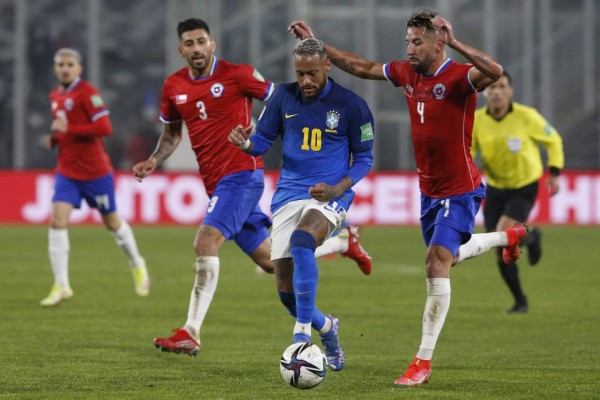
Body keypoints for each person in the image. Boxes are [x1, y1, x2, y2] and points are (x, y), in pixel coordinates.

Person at [288, 9, 529, 386]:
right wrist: (317, 45)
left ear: (437, 42)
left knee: (435, 263)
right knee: (447, 256)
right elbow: (364, 67)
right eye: (408, 42)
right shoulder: (407, 73)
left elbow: (495, 70)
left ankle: (422, 362)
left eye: (417, 42)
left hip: (459, 189)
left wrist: (457, 43)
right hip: (429, 191)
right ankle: (506, 238)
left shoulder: (458, 77)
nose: (410, 48)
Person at [132, 19, 372, 357]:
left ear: (212, 44)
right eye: (190, 43)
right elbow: (172, 134)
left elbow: (280, 100)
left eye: (202, 41)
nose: (197, 48)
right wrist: (154, 161)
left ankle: (191, 331)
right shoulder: (173, 86)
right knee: (273, 262)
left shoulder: (239, 74)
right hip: (215, 182)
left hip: (241, 173)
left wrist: (264, 137)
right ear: (181, 49)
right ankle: (342, 243)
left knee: (205, 241)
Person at [228, 37, 375, 371]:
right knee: (286, 294)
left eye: (312, 73)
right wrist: (247, 143)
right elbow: (263, 140)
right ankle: (327, 327)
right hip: (287, 196)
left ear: (327, 65)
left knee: (303, 239)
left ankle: (302, 335)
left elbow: (365, 158)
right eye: (300, 74)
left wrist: (338, 188)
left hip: (328, 196)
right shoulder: (282, 96)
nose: (306, 81)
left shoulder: (351, 105)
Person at [41, 48, 150, 307]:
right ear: (55, 69)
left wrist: (69, 129)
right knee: (57, 221)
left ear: (79, 68)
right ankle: (61, 284)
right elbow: (64, 130)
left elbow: (104, 128)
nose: (65, 68)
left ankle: (137, 264)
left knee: (112, 223)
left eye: (70, 64)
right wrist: (55, 138)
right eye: (61, 64)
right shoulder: (55, 95)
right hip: (67, 171)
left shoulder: (88, 94)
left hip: (95, 172)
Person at [472, 71, 564, 313]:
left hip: (524, 185)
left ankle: (527, 240)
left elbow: (553, 140)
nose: (497, 92)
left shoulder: (527, 117)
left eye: (502, 87)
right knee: (497, 245)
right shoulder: (477, 120)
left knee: (503, 234)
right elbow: (468, 152)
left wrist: (554, 173)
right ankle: (520, 300)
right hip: (495, 187)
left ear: (510, 91)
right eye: (492, 88)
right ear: (485, 93)